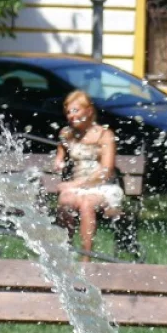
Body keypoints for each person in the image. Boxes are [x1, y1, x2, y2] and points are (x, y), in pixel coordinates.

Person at [54, 89, 123, 262]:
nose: (71, 115)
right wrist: (59, 159)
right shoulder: (67, 134)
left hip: (103, 187)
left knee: (86, 203)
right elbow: (61, 147)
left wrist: (75, 184)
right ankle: (64, 251)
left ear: (89, 111)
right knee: (65, 199)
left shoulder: (104, 135)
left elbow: (106, 171)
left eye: (75, 110)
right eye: (68, 112)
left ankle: (86, 257)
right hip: (79, 188)